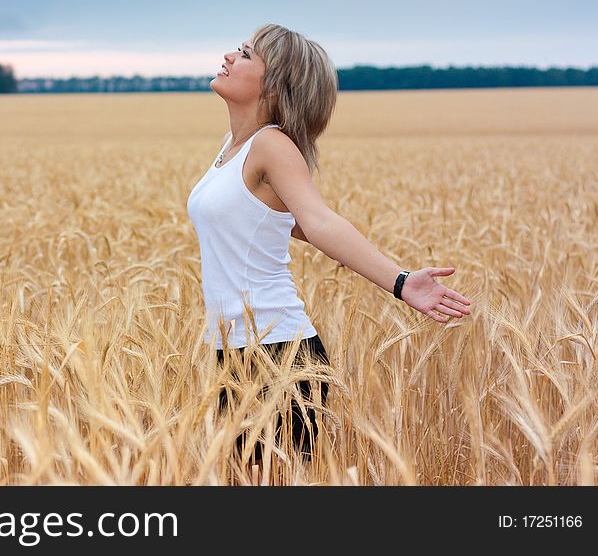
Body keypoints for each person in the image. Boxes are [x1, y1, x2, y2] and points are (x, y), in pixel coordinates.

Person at [185, 23, 472, 479]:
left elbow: (319, 222)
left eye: (243, 54)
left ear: (274, 84)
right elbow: (284, 219)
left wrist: (400, 282)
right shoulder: (232, 148)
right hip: (232, 352)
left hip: (279, 355)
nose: (227, 56)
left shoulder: (271, 145)